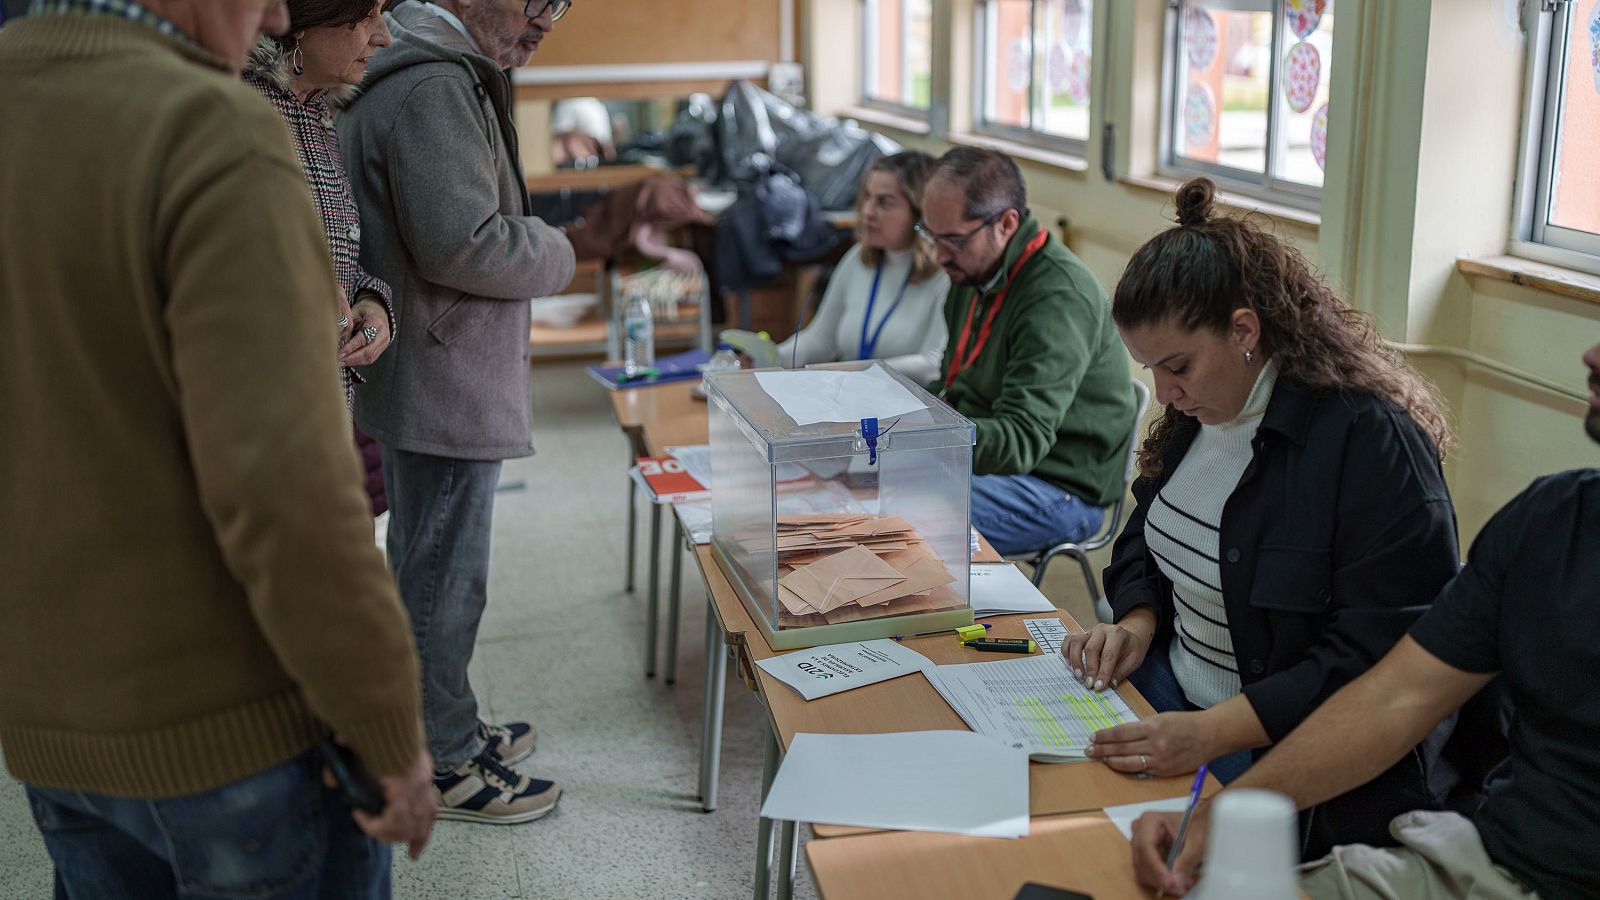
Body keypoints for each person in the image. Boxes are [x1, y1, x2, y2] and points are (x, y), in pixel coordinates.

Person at [0, 1, 434, 897]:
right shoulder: (212, 127)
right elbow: (292, 494)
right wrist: (387, 727)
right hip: (231, 739)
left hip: (49, 725)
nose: (278, 10)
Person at [1069, 178, 1460, 857]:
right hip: (1176, 695)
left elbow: (1378, 664)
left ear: (1244, 330)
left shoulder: (1369, 442)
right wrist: (1136, 620)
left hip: (1283, 753)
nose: (1163, 393)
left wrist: (1215, 732)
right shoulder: (1204, 409)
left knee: (1128, 856)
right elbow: (1145, 539)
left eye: (1176, 366)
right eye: (1151, 370)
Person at [1130, 339, 1600, 900]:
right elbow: (1395, 696)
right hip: (1490, 863)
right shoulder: (1551, 518)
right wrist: (1223, 816)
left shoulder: (1367, 439)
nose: (1590, 354)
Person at [337, 0, 577, 824]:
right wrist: (557, 247)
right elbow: (463, 242)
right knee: (443, 580)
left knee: (428, 567)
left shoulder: (436, 64)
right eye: (536, 0)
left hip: (432, 367)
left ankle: (443, 722)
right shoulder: (434, 83)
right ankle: (441, 760)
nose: (549, 17)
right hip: (442, 376)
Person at [920, 147, 1136, 556]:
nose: (939, 254)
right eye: (930, 235)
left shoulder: (1057, 298)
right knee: (869, 486)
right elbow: (956, 384)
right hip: (998, 468)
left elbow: (1022, 439)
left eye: (953, 239)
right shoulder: (974, 272)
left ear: (1006, 223)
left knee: (902, 517)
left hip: (1061, 486)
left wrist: (923, 439)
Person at [242, 0, 397, 515]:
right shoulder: (238, 111)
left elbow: (336, 261)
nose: (384, 37)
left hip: (323, 416)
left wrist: (373, 303)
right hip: (263, 428)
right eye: (367, 16)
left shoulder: (316, 112)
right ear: (307, 22)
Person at [776, 151, 950, 384]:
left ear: (921, 214)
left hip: (906, 413)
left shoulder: (946, 275)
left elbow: (932, 366)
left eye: (885, 203)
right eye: (867, 197)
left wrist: (848, 373)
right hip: (850, 398)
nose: (867, 211)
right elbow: (821, 340)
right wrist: (769, 356)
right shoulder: (857, 258)